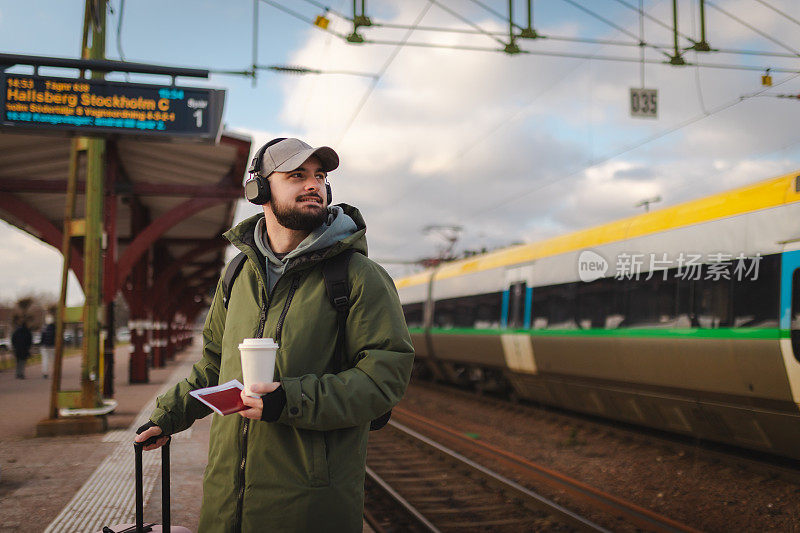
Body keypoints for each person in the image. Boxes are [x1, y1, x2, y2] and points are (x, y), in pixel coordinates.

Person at [135, 137, 414, 532]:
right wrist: (170, 413)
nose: (313, 185)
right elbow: (216, 362)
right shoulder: (236, 275)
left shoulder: (358, 277)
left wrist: (289, 400)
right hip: (225, 499)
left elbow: (384, 379)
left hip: (308, 506)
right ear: (260, 189)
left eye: (319, 176)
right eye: (297, 175)